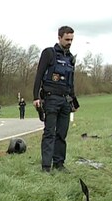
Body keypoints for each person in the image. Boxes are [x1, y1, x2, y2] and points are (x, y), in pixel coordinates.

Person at [33, 25, 79, 172]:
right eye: (67, 39)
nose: (69, 42)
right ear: (59, 38)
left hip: (65, 100)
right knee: (49, 133)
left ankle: (59, 164)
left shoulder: (71, 58)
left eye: (71, 39)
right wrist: (35, 97)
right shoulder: (49, 53)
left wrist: (74, 101)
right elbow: (39, 75)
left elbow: (70, 82)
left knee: (61, 134)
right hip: (50, 98)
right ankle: (46, 167)